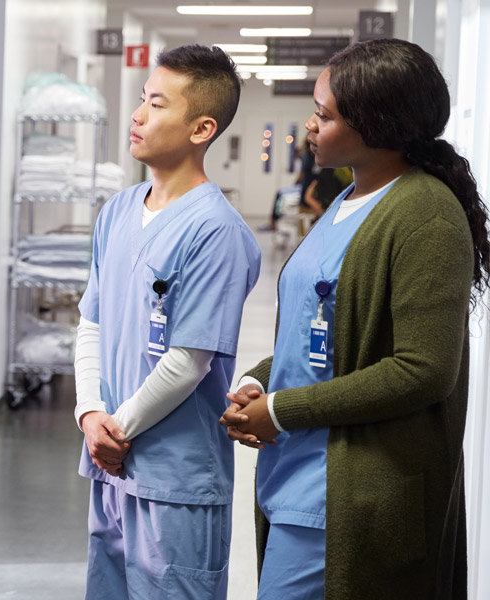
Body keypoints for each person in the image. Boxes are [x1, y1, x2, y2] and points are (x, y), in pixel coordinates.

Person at [221, 38, 484, 599]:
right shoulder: (345, 203)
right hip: (300, 478)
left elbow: (423, 370)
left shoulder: (425, 215)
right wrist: (259, 382)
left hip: (355, 494)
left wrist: (282, 410)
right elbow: (320, 334)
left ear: (377, 125)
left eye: (325, 115)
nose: (310, 126)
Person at [73, 44, 260, 599]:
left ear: (202, 128)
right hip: (111, 463)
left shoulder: (216, 231)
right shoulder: (118, 210)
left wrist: (117, 430)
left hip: (175, 478)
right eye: (141, 100)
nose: (137, 115)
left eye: (156, 105)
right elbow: (91, 323)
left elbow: (189, 360)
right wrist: (90, 414)